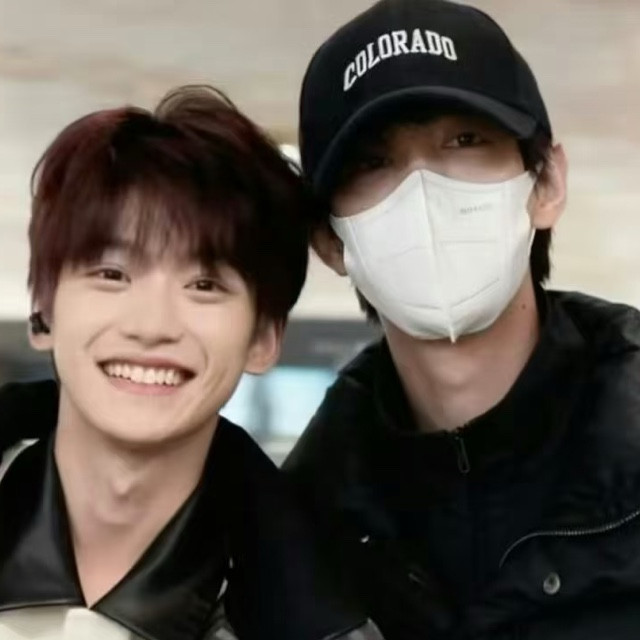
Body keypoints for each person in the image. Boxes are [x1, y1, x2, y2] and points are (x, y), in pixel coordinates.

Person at [280, 0, 640, 638]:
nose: (423, 190)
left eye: (465, 141)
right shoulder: (302, 528)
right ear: (330, 241)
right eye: (373, 163)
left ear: (546, 182)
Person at [0, 86, 379, 640]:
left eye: (204, 285)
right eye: (112, 274)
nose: (152, 325)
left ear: (263, 338)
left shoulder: (316, 619)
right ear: (44, 311)